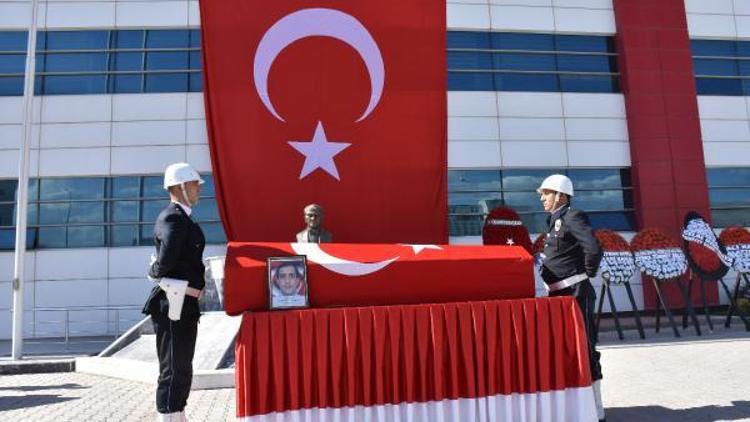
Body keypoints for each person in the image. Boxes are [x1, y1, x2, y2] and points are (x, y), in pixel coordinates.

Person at [537, 174, 605, 422]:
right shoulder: (553, 220)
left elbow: (594, 248)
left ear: (560, 195)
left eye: (546, 193)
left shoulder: (571, 216)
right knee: (567, 350)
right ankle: (576, 407)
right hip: (559, 295)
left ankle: (597, 411)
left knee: (585, 347)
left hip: (575, 293)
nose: (542, 198)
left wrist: (585, 274)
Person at [142, 162, 206, 422]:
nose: (199, 190)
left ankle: (178, 414)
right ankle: (168, 416)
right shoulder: (173, 217)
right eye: (194, 185)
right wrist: (155, 272)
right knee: (173, 366)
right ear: (180, 186)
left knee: (182, 366)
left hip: (184, 302)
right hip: (172, 301)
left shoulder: (183, 217)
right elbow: (165, 260)